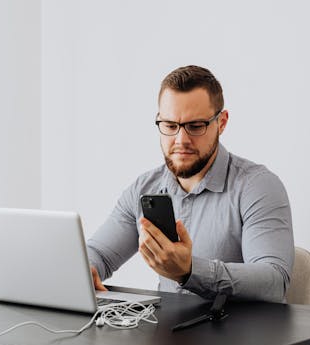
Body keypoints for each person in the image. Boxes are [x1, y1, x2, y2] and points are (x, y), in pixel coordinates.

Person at [87, 65, 294, 302]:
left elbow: (274, 281)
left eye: (195, 126)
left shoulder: (257, 186)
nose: (181, 140)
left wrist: (189, 271)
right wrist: (86, 270)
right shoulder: (144, 189)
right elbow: (99, 255)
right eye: (170, 126)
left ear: (222, 122)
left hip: (239, 336)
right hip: (167, 336)